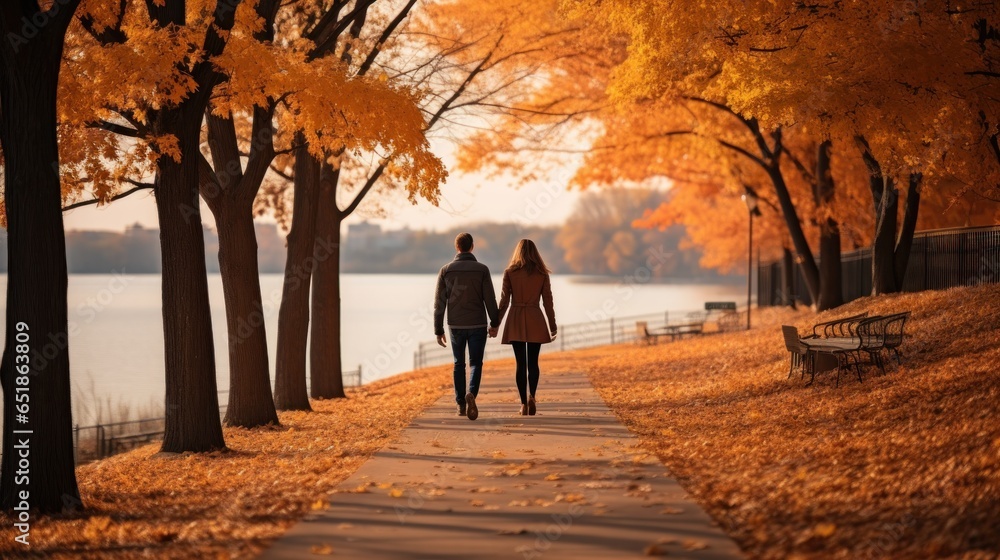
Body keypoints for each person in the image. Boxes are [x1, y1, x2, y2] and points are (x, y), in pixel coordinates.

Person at [434, 233, 500, 421]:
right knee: (476, 363)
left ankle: (461, 405)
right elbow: (490, 299)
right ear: (472, 247)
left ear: (457, 247)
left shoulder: (445, 270)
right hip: (478, 324)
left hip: (455, 325)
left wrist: (438, 330)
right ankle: (471, 393)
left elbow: (439, 304)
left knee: (458, 364)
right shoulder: (482, 270)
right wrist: (494, 323)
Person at [497, 239, 557, 416]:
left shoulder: (510, 272)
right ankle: (532, 396)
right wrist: (552, 325)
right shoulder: (542, 274)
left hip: (515, 318)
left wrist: (496, 324)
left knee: (520, 364)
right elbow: (548, 302)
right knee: (533, 362)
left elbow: (504, 301)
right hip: (535, 318)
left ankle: (523, 404)